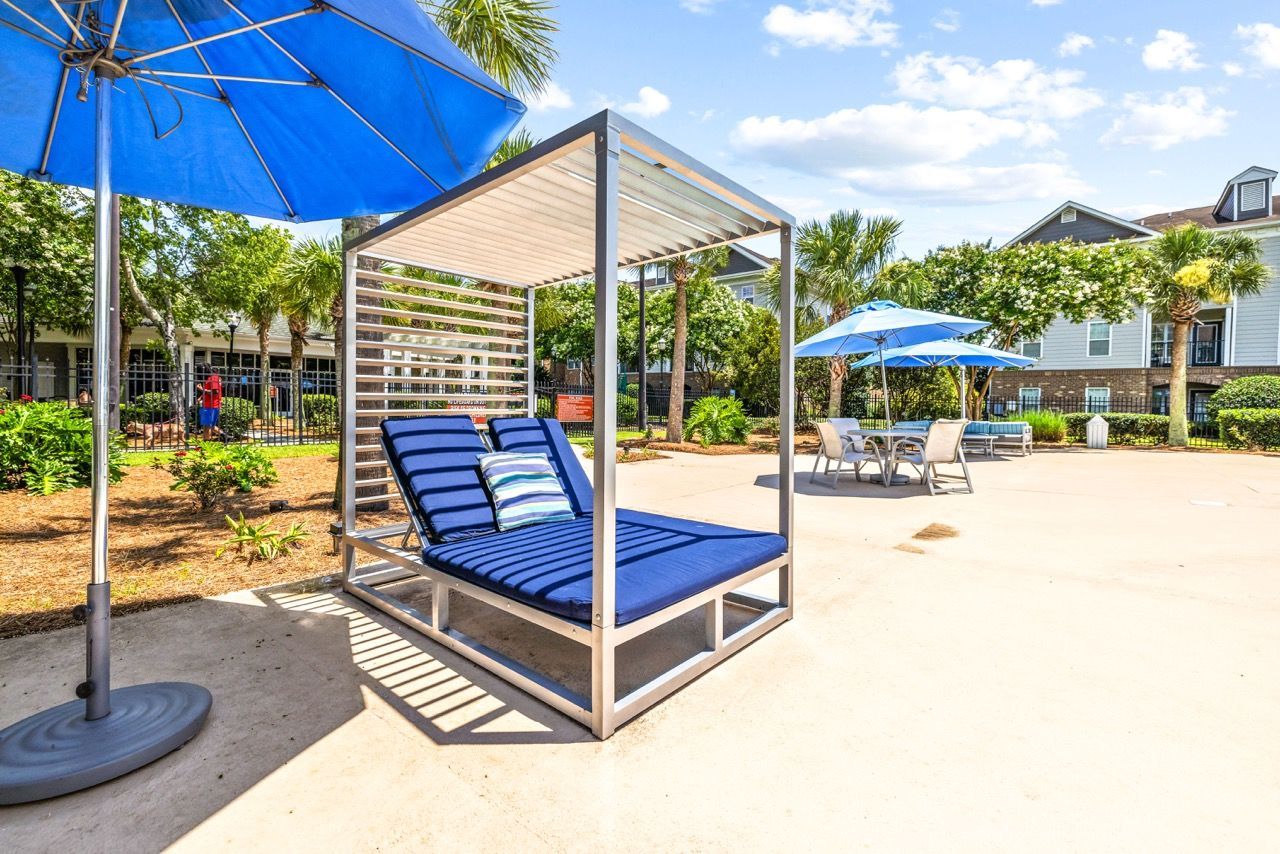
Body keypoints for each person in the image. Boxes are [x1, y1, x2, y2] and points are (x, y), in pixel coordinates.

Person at [196, 364, 223, 440]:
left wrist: (201, 389)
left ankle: (205, 443)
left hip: (211, 405)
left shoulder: (213, 378)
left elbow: (215, 392)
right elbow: (211, 391)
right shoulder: (211, 378)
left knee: (206, 426)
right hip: (210, 405)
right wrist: (201, 397)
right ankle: (226, 437)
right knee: (210, 426)